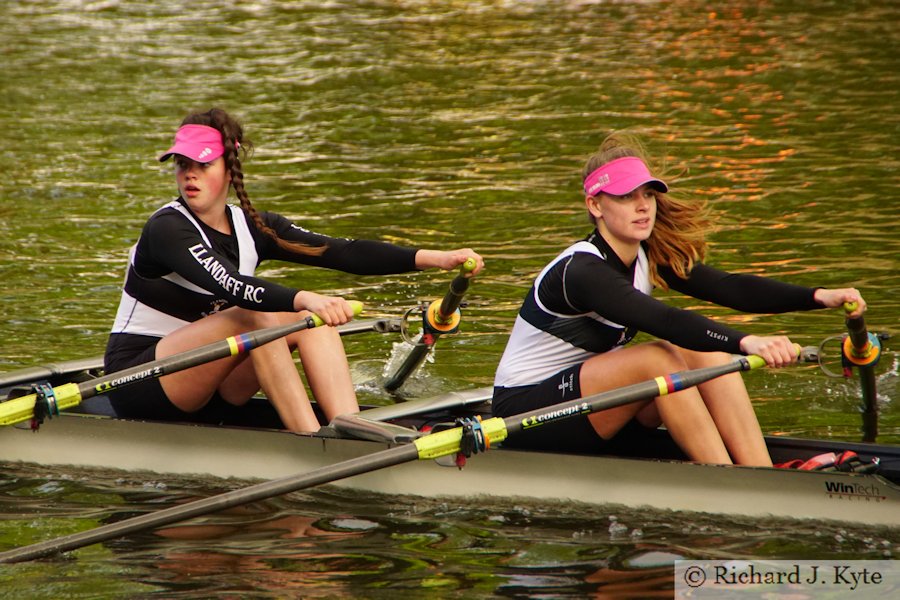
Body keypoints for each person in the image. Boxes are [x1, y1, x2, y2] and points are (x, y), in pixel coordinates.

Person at [492, 132, 866, 465]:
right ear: (595, 206)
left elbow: (730, 288)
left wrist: (820, 296)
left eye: (648, 195)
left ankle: (758, 471)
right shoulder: (581, 271)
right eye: (626, 197)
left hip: (590, 406)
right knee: (659, 356)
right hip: (526, 415)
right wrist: (747, 341)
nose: (643, 206)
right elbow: (665, 320)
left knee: (705, 353)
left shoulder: (645, 254)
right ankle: (726, 482)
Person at [105, 108, 483, 432]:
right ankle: (309, 440)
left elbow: (344, 252)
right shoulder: (167, 228)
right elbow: (234, 286)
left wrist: (436, 258)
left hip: (210, 381)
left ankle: (348, 429)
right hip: (139, 383)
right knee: (258, 314)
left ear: (229, 167)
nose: (190, 175)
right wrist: (308, 297)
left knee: (308, 320)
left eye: (203, 164)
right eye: (183, 164)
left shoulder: (254, 226)